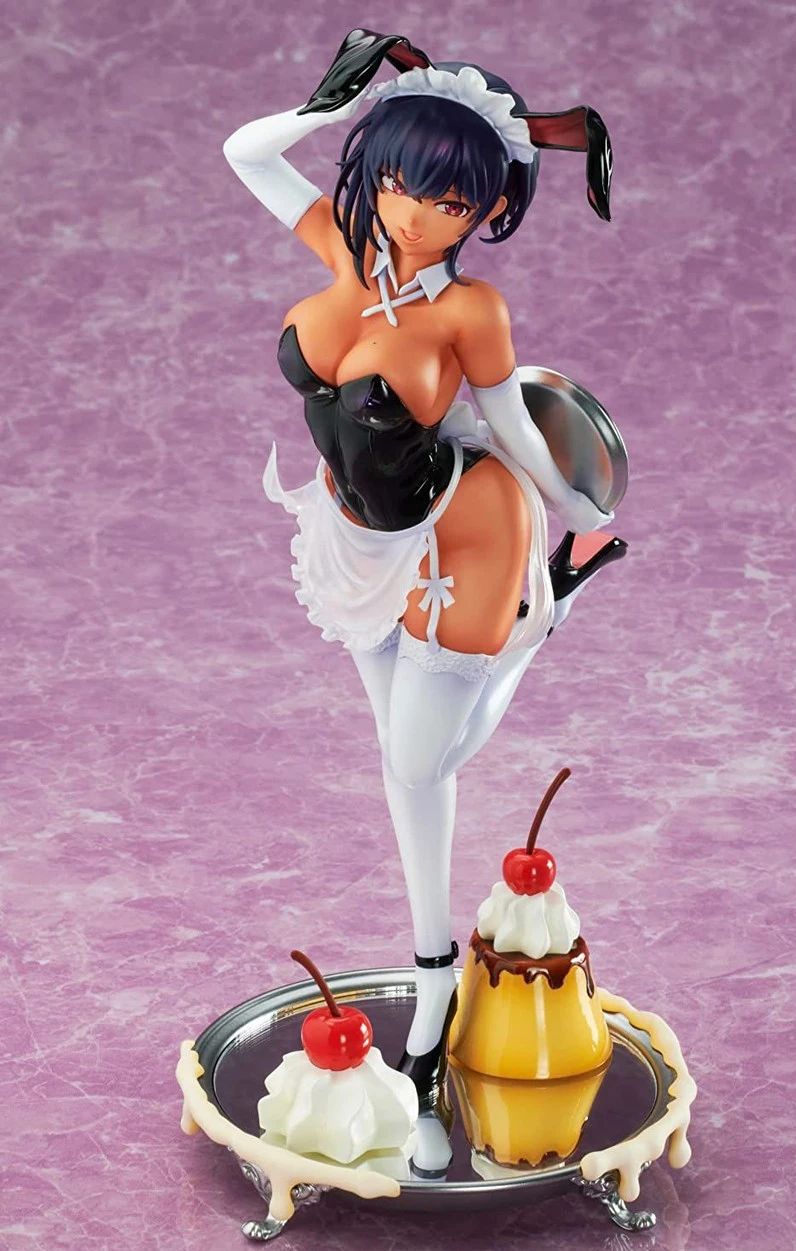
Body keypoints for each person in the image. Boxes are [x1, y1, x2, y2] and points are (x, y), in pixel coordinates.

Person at [223, 30, 625, 1107]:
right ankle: (432, 963)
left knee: (414, 760)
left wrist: (583, 508)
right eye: (398, 183)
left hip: (463, 529)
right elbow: (244, 154)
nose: (412, 213)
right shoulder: (347, 251)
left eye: (449, 202)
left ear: (485, 211)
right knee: (404, 766)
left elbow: (509, 423)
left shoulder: (469, 310)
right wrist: (324, 108)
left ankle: (536, 620)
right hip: (356, 537)